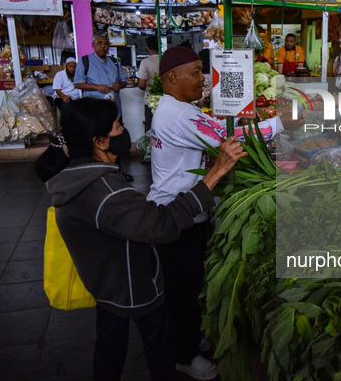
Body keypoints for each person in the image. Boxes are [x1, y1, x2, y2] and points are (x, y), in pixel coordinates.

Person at [34, 97, 245, 381]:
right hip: (135, 287)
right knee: (160, 346)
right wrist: (217, 171)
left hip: (107, 285)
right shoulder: (106, 192)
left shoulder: (77, 174)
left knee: (110, 344)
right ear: (100, 142)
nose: (124, 131)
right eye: (117, 126)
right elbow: (162, 224)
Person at [147, 46, 283, 380]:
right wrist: (281, 122)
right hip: (178, 217)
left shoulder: (173, 108)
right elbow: (230, 139)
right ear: (172, 77)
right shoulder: (179, 114)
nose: (203, 78)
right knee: (183, 290)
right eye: (195, 71)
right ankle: (184, 356)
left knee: (187, 286)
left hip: (178, 210)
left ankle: (189, 342)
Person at [73, 34, 128, 121]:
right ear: (93, 45)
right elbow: (77, 84)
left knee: (116, 133)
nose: (103, 46)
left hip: (115, 110)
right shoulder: (85, 61)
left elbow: (124, 80)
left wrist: (120, 85)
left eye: (106, 44)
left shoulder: (115, 62)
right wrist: (97, 87)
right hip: (95, 111)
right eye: (99, 43)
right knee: (98, 133)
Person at [137, 35, 160, 132]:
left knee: (151, 129)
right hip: (166, 100)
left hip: (151, 102)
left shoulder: (145, 62)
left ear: (147, 47)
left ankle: (151, 147)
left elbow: (142, 85)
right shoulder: (165, 60)